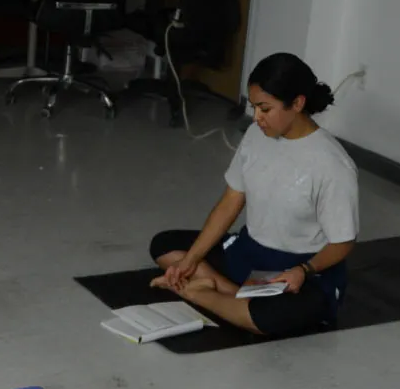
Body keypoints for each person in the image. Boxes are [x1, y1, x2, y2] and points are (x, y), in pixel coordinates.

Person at [149, 53, 359, 336]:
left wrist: (304, 270)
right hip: (248, 253)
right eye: (254, 107)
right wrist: (190, 261)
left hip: (298, 270)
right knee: (165, 246)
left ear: (297, 103)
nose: (256, 117)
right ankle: (237, 296)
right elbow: (231, 200)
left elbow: (343, 242)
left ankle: (198, 294)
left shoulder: (332, 164)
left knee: (270, 319)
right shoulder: (256, 135)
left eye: (265, 109)